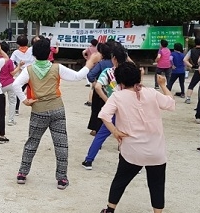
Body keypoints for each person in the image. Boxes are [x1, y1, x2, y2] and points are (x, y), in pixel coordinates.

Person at [13, 38, 101, 190]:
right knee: (61, 145)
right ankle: (62, 178)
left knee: (32, 142)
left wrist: (25, 100)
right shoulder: (57, 68)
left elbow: (15, 85)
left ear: (33, 54)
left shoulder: (29, 70)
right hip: (57, 109)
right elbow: (77, 76)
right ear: (49, 53)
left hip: (38, 110)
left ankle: (22, 173)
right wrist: (90, 62)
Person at [98, 63, 175, 213]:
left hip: (132, 149)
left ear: (120, 82)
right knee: (157, 182)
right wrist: (163, 85)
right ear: (138, 78)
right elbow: (170, 103)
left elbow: (104, 115)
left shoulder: (117, 96)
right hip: (156, 149)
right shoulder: (151, 93)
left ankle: (110, 212)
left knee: (121, 179)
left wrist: (115, 131)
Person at [82, 43, 129, 170]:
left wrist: (107, 100)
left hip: (114, 108)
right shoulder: (130, 70)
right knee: (129, 135)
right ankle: (132, 163)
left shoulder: (109, 72)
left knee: (101, 135)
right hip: (129, 109)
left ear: (114, 58)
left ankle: (89, 160)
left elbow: (97, 86)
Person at [0, 41, 22, 126]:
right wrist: (19, 66)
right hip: (9, 83)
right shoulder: (9, 61)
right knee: (12, 101)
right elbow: (12, 73)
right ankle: (11, 120)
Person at [86, 43, 114, 135]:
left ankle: (95, 129)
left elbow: (90, 75)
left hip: (100, 90)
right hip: (113, 91)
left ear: (102, 54)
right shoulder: (115, 63)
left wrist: (94, 82)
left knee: (96, 110)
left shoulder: (101, 64)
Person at [10, 35, 35, 115]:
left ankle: (16, 109)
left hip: (23, 75)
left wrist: (18, 66)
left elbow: (11, 62)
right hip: (32, 73)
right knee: (35, 92)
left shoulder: (16, 52)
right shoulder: (32, 49)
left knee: (18, 91)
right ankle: (36, 108)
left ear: (18, 44)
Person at [183, 37, 200, 104]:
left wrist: (192, 66)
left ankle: (188, 98)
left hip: (197, 69)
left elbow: (185, 60)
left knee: (192, 84)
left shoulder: (191, 50)